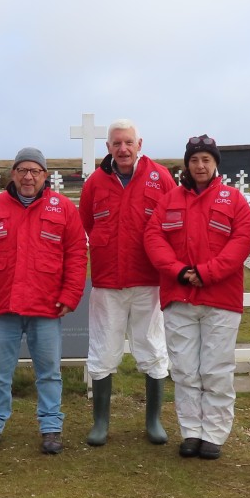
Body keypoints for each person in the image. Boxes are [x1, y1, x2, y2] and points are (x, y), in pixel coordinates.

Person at [0, 148, 87, 454]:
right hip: (2, 304)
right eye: (22, 170)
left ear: (45, 176)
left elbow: (76, 255)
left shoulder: (63, 209)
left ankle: (51, 428)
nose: (28, 176)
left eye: (35, 171)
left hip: (45, 306)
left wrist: (70, 295)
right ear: (13, 174)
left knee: (49, 372)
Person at [143, 135, 250, 460]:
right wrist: (177, 270)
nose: (200, 165)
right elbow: (154, 236)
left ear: (215, 163)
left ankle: (214, 433)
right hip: (179, 297)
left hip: (221, 299)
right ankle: (191, 431)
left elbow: (241, 241)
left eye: (206, 159)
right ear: (187, 164)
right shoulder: (170, 200)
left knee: (216, 369)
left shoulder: (234, 200)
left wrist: (207, 272)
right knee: (185, 369)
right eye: (194, 160)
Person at [78, 119, 173, 446]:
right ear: (108, 147)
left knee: (152, 348)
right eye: (116, 143)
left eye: (128, 142)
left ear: (139, 144)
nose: (122, 149)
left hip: (149, 282)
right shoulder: (95, 183)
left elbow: (174, 222)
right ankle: (101, 421)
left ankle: (153, 421)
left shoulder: (160, 178)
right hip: (107, 284)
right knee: (103, 349)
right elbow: (86, 223)